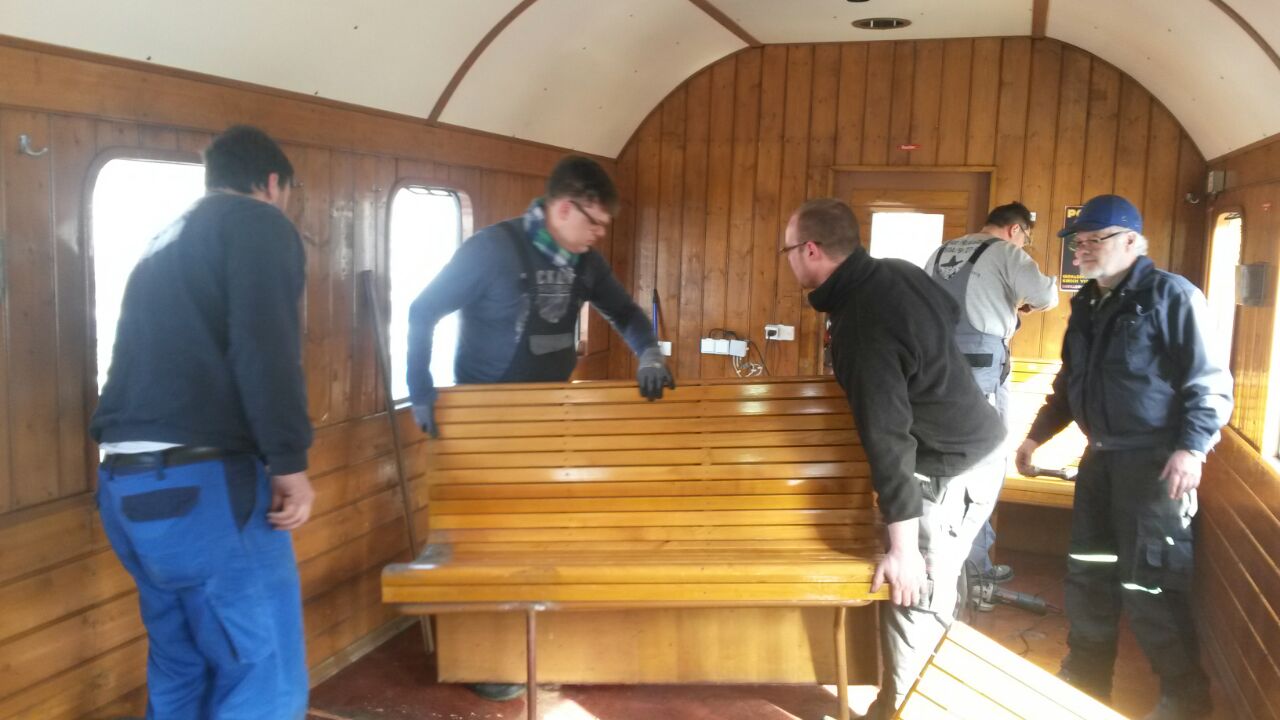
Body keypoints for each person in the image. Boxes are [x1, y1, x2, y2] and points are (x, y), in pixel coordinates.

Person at [406, 155, 673, 701]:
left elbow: (626, 314)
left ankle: (537, 642)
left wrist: (649, 353)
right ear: (564, 208)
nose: (599, 234)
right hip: (485, 420)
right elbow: (422, 310)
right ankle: (487, 658)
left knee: (542, 531)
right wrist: (420, 388)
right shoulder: (491, 251)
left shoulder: (585, 263)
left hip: (550, 414)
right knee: (485, 541)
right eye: (594, 222)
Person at [90, 125, 314, 719]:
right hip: (203, 490)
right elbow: (265, 349)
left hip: (125, 487)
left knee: (181, 663)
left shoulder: (163, 240)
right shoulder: (259, 223)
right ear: (272, 184)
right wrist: (289, 463)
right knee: (265, 673)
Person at [781, 198, 1006, 718]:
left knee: (914, 598)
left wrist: (903, 549)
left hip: (948, 470)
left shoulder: (860, 324)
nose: (787, 259)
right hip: (980, 447)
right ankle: (896, 706)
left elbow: (889, 438)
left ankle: (903, 710)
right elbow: (949, 313)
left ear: (811, 250)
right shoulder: (896, 272)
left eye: (787, 250)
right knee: (932, 591)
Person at [1016, 194, 1232, 720]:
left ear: (1132, 241)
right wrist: (1034, 437)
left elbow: (1209, 384)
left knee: (1151, 584)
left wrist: (1191, 448)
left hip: (1155, 466)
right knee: (1089, 573)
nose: (1083, 250)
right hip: (1101, 461)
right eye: (1079, 242)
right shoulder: (1088, 303)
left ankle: (1183, 698)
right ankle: (1086, 680)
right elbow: (1071, 382)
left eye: (1096, 239)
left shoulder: (1172, 297)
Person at [925, 202, 1058, 595]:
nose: (1024, 243)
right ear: (1016, 230)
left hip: (933, 371)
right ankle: (973, 565)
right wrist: (1020, 303)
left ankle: (935, 553)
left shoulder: (942, 251)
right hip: (980, 374)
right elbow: (1046, 295)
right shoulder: (1006, 253)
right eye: (1026, 238)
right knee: (984, 466)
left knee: (938, 460)